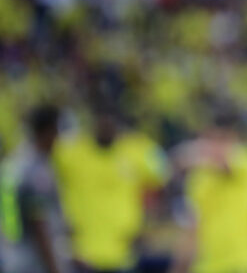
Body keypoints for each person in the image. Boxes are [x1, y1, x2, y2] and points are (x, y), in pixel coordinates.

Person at [52, 105, 168, 273]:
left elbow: (163, 175)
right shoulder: (71, 152)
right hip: (83, 254)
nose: (106, 128)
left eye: (110, 124)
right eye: (101, 123)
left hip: (124, 253)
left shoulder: (135, 150)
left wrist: (148, 224)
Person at [169, 110, 247, 273]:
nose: (214, 146)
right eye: (210, 139)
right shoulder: (198, 177)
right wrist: (179, 266)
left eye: (221, 139)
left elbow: (225, 165)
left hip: (243, 264)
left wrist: (190, 157)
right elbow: (193, 225)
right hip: (206, 266)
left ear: (233, 138)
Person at [0, 104, 71, 273]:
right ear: (48, 131)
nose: (58, 138)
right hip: (34, 261)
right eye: (57, 132)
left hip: (13, 255)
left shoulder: (14, 163)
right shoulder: (36, 171)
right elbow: (39, 222)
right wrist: (54, 268)